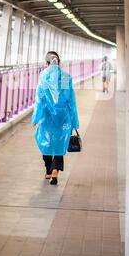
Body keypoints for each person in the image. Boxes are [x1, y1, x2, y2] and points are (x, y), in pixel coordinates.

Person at [32, 51, 79, 185]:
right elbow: (71, 101)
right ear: (59, 62)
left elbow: (40, 100)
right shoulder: (65, 77)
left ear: (46, 63)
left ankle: (48, 170)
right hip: (63, 116)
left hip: (47, 116)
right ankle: (55, 169)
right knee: (60, 143)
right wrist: (74, 120)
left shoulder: (44, 78)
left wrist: (36, 117)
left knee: (46, 142)